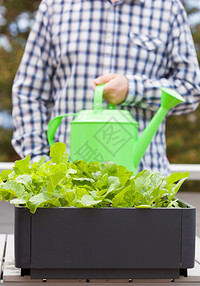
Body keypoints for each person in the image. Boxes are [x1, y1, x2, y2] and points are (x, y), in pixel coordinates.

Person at [12, 0, 200, 175]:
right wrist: (42, 163)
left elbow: (191, 88)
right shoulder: (55, 5)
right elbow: (28, 93)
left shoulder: (168, 8)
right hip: (67, 186)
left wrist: (133, 90)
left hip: (145, 184)